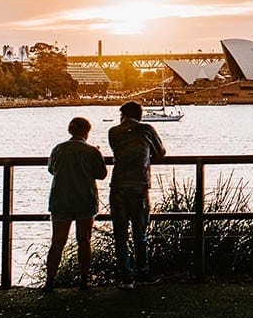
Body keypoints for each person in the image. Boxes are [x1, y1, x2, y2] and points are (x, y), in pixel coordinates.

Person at [44, 117, 108, 292]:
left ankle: (50, 280)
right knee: (84, 240)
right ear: (87, 131)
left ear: (69, 130)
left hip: (60, 199)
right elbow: (102, 174)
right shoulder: (92, 151)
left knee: (57, 241)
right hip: (85, 199)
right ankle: (84, 280)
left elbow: (51, 169)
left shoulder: (58, 149)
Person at [108, 101, 166, 289]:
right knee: (139, 233)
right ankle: (142, 273)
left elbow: (118, 154)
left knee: (120, 235)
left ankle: (125, 277)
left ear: (122, 115)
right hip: (139, 186)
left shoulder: (113, 132)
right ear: (140, 115)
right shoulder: (146, 130)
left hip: (117, 186)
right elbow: (161, 152)